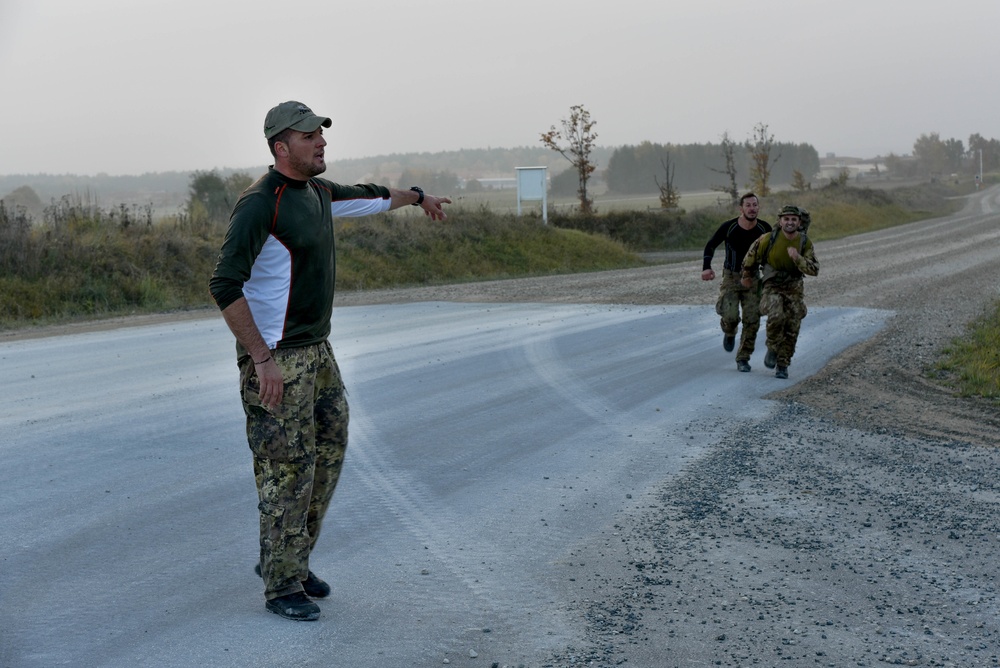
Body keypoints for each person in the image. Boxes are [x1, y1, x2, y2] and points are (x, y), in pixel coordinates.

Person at [209, 100, 451, 621]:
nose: (321, 142)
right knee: (285, 469)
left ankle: (291, 560)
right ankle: (280, 587)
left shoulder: (318, 192)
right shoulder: (260, 204)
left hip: (318, 352)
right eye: (309, 136)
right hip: (276, 359)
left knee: (328, 452)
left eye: (321, 133)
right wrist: (261, 358)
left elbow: (372, 196)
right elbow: (224, 284)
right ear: (281, 147)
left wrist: (419, 198)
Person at [740, 204, 819, 379]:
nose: (790, 222)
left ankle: (783, 364)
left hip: (794, 288)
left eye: (793, 219)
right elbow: (749, 259)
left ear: (799, 223)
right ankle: (772, 347)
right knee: (776, 316)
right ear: (780, 221)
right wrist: (746, 277)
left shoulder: (804, 242)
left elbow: (814, 269)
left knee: (792, 326)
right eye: (786, 219)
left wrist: (798, 259)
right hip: (772, 286)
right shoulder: (768, 239)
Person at [701, 192, 772, 372]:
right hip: (731, 277)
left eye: (755, 205)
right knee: (730, 315)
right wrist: (706, 267)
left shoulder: (765, 229)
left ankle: (743, 358)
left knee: (752, 320)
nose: (752, 208)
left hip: (753, 279)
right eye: (748, 205)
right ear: (741, 209)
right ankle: (729, 330)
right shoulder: (729, 227)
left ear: (758, 207)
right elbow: (710, 245)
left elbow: (771, 254)